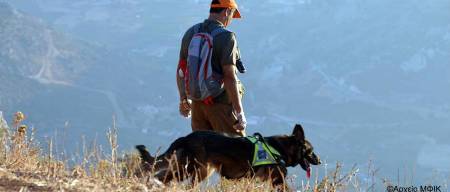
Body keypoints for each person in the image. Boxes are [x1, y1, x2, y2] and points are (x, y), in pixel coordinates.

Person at [176, 0, 247, 137]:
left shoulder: (191, 33)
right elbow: (229, 77)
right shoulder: (227, 37)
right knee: (237, 152)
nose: (231, 19)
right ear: (227, 11)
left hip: (197, 107)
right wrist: (239, 112)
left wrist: (184, 99)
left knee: (204, 154)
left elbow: (181, 70)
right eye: (232, 15)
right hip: (220, 106)